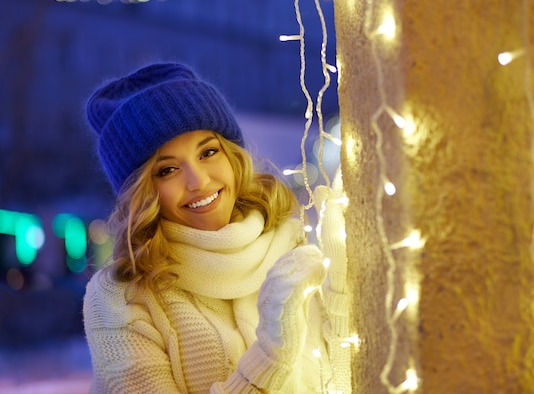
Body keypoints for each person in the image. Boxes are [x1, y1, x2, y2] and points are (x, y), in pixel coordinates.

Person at [82, 62, 350, 394]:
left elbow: (343, 379)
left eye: (208, 152)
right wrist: (271, 355)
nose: (198, 181)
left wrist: (342, 303)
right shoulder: (121, 298)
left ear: (233, 155)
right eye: (166, 170)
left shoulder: (290, 245)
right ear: (141, 192)